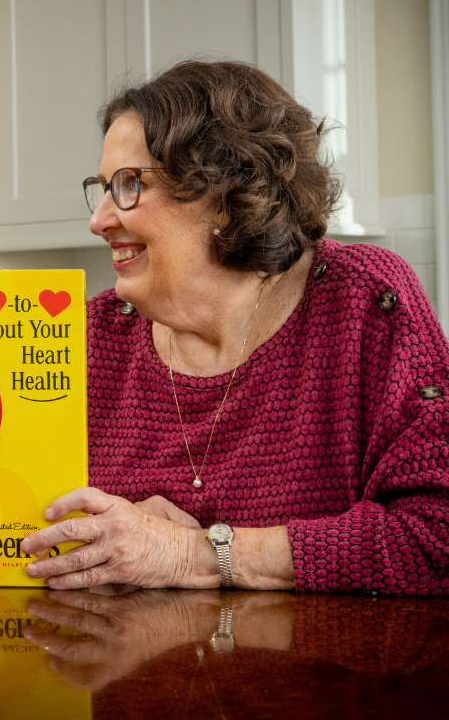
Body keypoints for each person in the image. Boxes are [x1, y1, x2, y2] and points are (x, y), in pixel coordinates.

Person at [22, 60, 449, 594]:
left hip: (325, 672)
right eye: (102, 187)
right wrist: (107, 544)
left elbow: (436, 537)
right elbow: (19, 532)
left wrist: (194, 554)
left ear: (227, 194)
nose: (99, 219)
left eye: (129, 184)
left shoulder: (365, 302)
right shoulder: (88, 337)